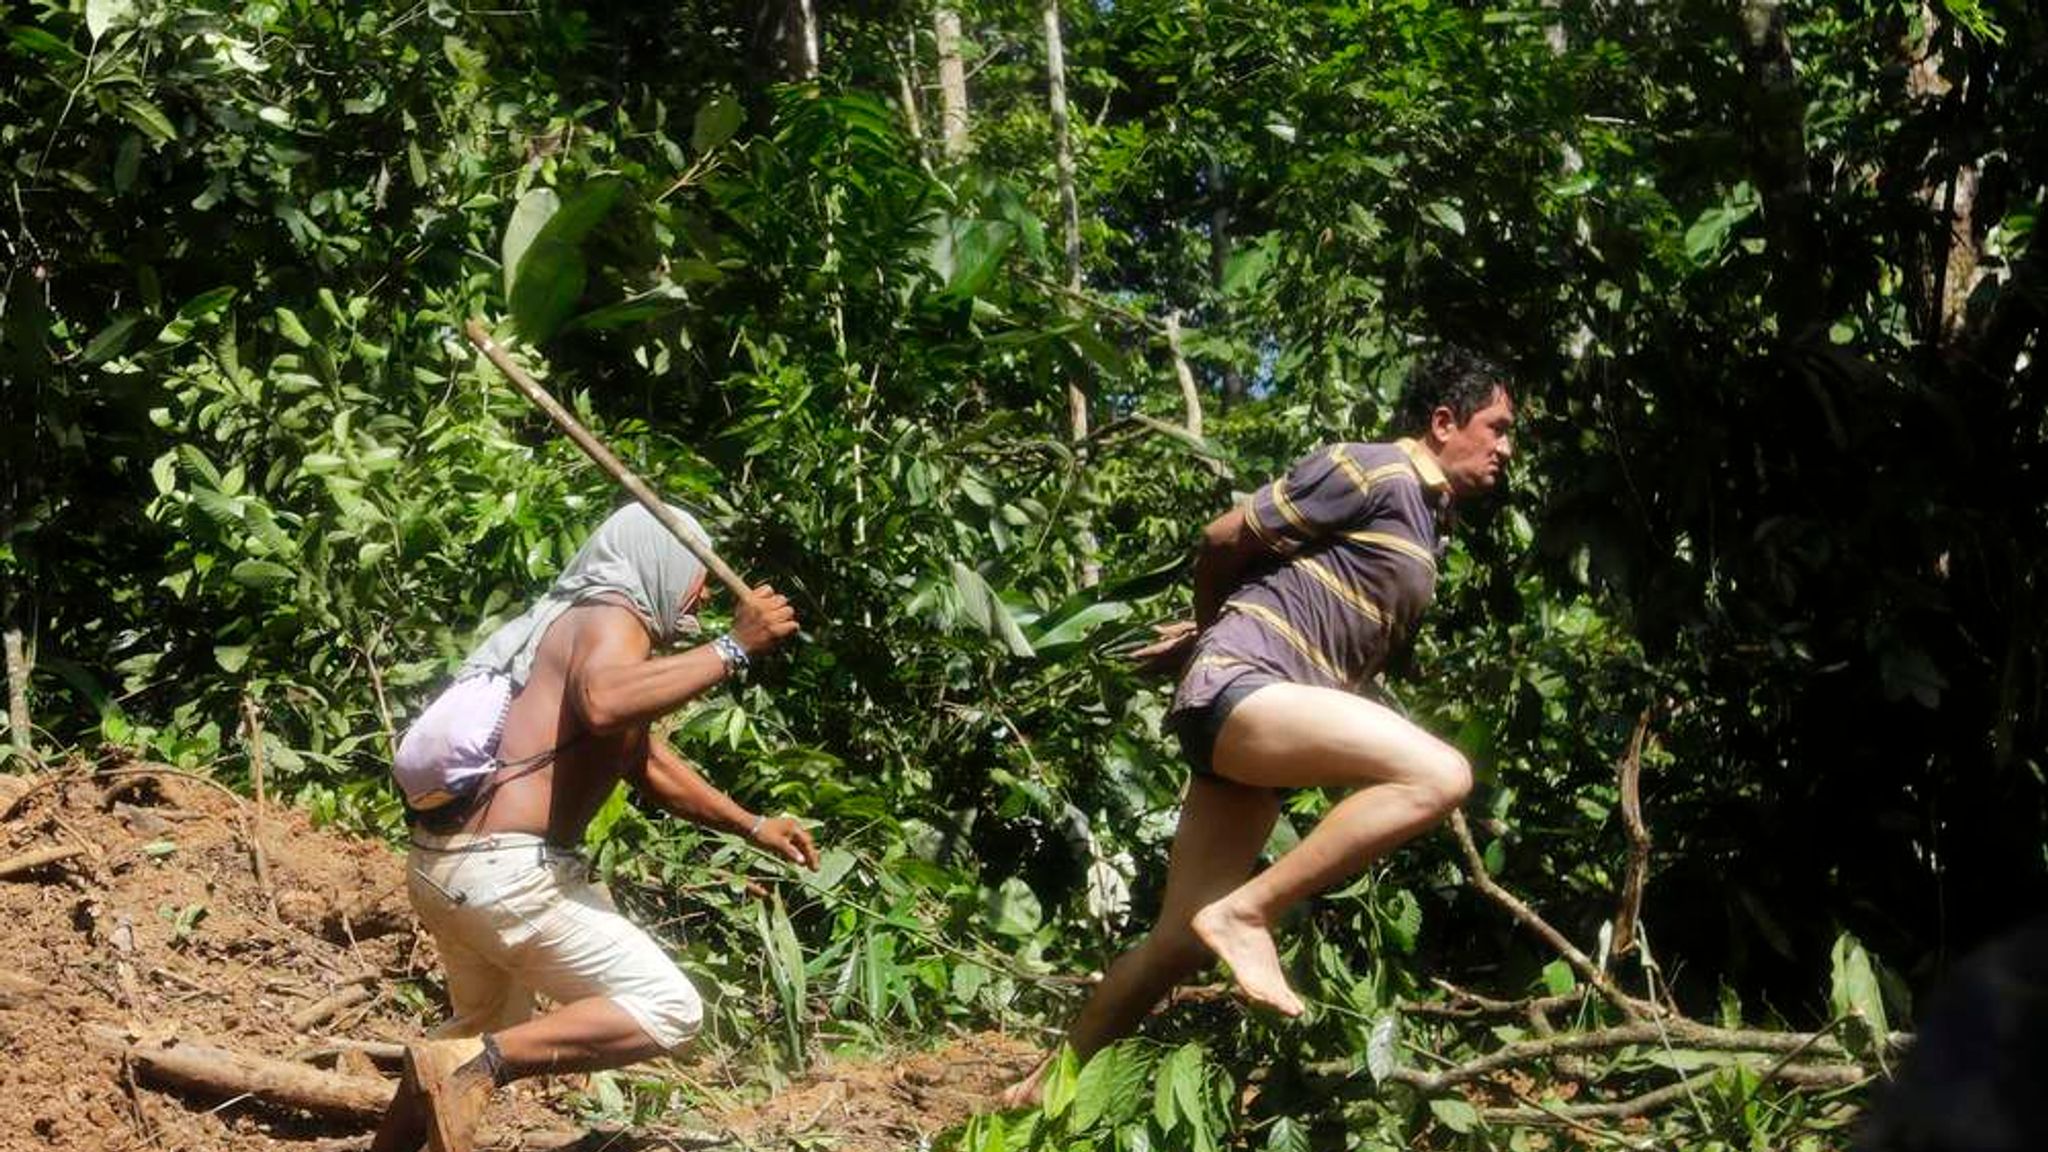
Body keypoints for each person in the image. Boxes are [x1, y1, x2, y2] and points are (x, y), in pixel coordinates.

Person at [1004, 348, 1515, 1106]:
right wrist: (1213, 635)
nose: (1506, 449)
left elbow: (1314, 609)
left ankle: (1036, 1095)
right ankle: (1249, 912)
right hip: (1244, 691)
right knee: (1442, 775)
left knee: (1175, 943)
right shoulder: (1374, 471)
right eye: (1498, 428)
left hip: (1258, 727)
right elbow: (1221, 540)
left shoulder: (1423, 522)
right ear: (1444, 423)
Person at [373, 502, 817, 1152]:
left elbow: (644, 760)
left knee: (459, 1044)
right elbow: (606, 704)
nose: (698, 594)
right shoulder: (612, 618)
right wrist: (733, 647)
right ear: (661, 565)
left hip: (445, 870)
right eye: (696, 575)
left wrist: (753, 826)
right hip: (504, 876)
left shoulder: (566, 623)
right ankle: (484, 1066)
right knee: (668, 1007)